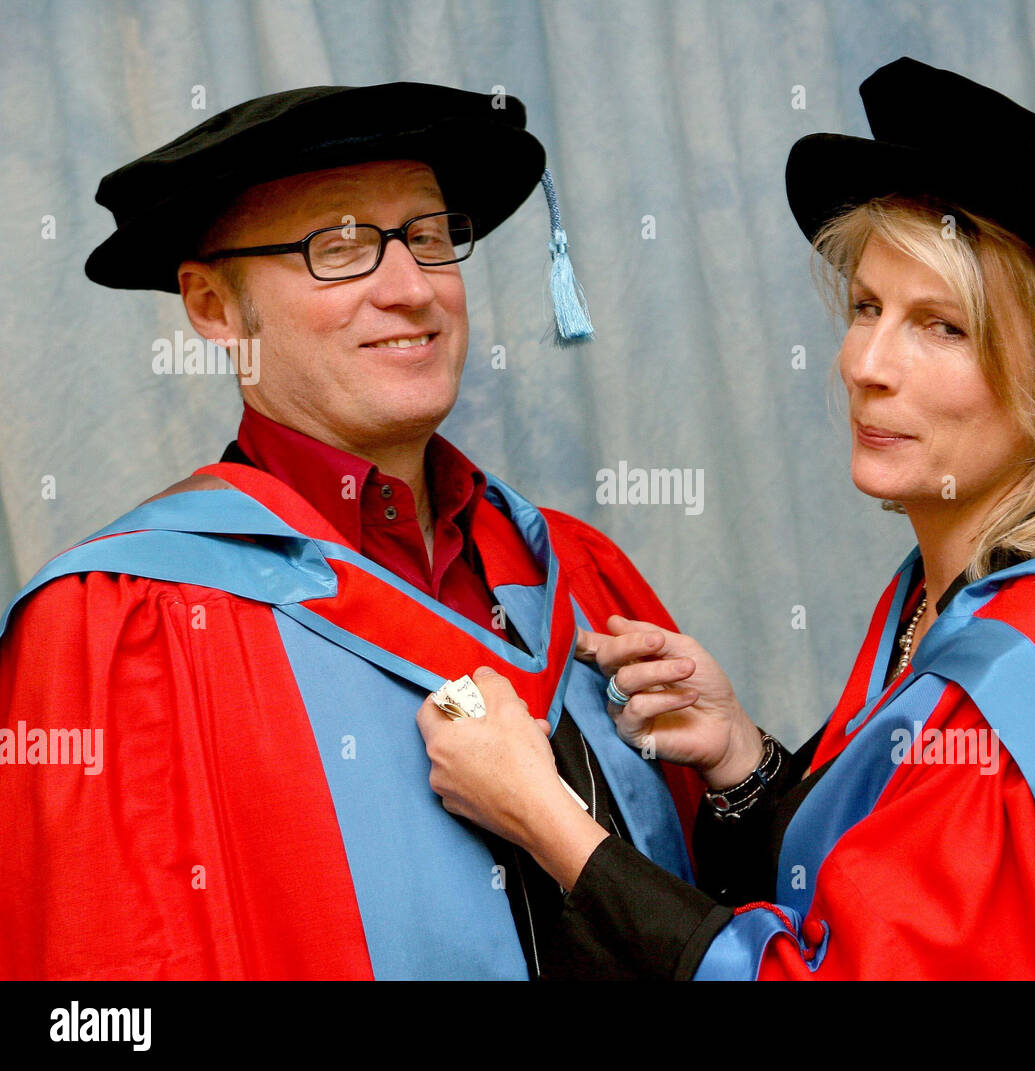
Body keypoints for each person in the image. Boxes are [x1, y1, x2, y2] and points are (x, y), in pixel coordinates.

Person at [416, 57, 1035, 980]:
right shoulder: (946, 606)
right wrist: (743, 760)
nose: (864, 362)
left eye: (942, 327)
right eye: (868, 307)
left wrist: (548, 821)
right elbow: (882, 906)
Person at [0, 82, 704, 980]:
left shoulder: (580, 572)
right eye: (338, 247)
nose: (411, 290)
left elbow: (716, 926)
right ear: (215, 308)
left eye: (430, 236)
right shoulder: (122, 623)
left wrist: (739, 784)